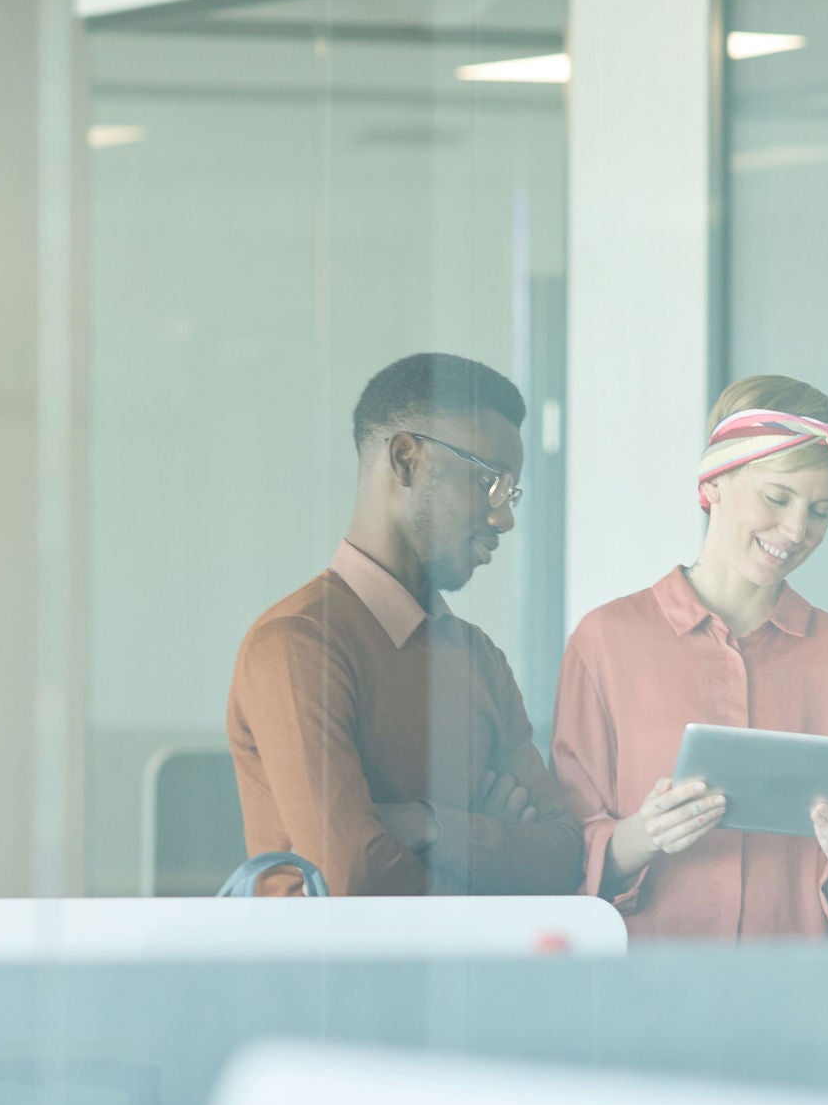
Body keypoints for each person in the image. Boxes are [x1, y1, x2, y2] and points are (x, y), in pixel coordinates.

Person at [551, 375, 828, 939]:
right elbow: (558, 857)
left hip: (794, 988)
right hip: (646, 981)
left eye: (821, 510)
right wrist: (639, 837)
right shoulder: (606, 641)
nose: (797, 530)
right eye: (777, 498)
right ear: (713, 482)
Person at [226, 353, 582, 896]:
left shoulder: (479, 657)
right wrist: (489, 844)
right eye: (488, 480)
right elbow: (351, 878)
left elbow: (563, 857)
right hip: (337, 959)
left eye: (510, 492)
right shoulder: (298, 643)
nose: (504, 517)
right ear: (406, 460)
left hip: (468, 958)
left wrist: (429, 824)